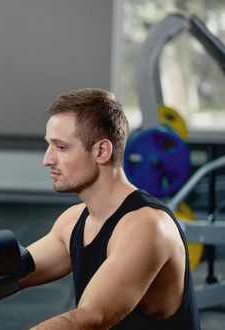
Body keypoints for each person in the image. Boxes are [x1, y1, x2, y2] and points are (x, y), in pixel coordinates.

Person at [19, 88, 199, 329]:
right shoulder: (73, 222)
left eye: (61, 147)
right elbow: (14, 273)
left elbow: (91, 318)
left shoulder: (147, 226)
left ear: (101, 151)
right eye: (49, 146)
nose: (47, 159)